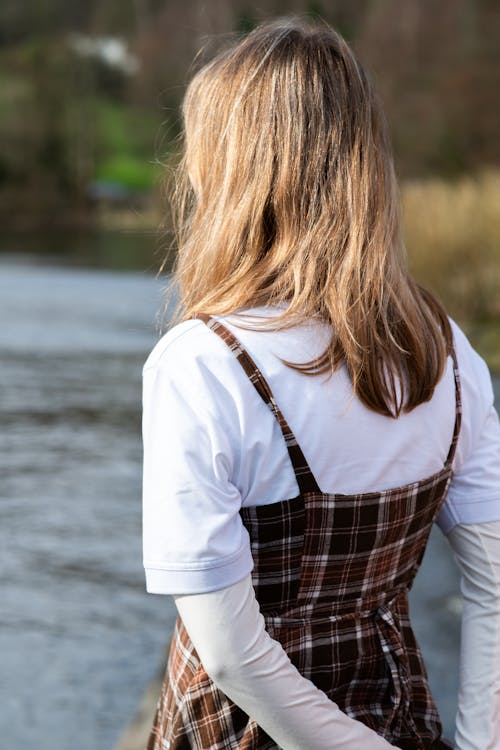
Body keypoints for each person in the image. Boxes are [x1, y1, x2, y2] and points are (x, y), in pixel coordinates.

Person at [142, 17, 500, 750]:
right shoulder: (447, 350)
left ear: (240, 169)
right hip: (397, 713)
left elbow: (232, 656)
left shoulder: (203, 363)